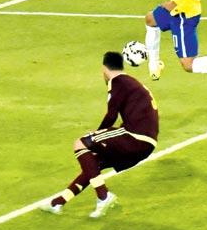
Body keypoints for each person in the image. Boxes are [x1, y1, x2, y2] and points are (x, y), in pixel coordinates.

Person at [40, 51, 158, 218]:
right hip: (147, 142)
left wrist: (95, 138)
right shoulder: (132, 83)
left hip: (134, 136)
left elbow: (111, 115)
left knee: (80, 144)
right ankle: (58, 203)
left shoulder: (118, 81)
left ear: (104, 68)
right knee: (93, 164)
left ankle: (104, 197)